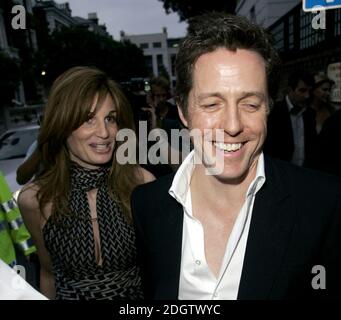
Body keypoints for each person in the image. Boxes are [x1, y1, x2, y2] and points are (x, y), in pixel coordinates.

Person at [131, 12, 341, 300]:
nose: (232, 125)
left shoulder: (323, 204)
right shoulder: (146, 206)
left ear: (268, 106)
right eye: (212, 104)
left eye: (250, 104)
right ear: (182, 111)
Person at [18, 66, 154, 300]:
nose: (104, 132)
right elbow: (48, 275)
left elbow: (162, 270)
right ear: (62, 124)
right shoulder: (35, 199)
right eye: (88, 119)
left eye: (110, 119)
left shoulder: (141, 185)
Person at [264, 70, 317, 167]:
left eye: (310, 91)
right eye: (302, 90)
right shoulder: (274, 112)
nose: (307, 96)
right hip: (279, 171)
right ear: (289, 90)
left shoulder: (310, 114)